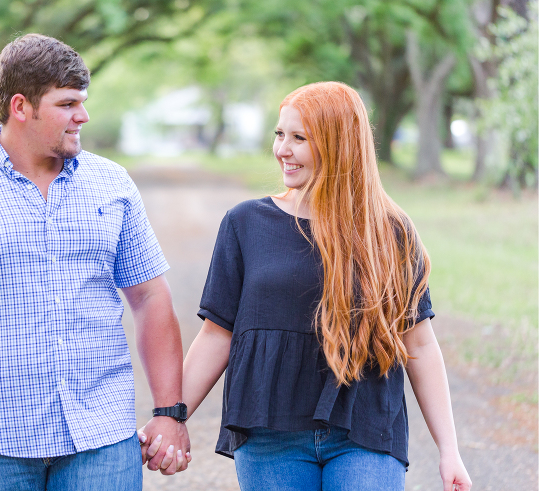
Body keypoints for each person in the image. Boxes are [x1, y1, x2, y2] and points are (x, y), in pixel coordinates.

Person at [0, 33, 190, 491]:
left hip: (101, 434)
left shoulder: (113, 185)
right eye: (67, 104)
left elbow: (149, 296)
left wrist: (169, 413)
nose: (82, 116)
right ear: (21, 106)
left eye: (82, 102)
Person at [140, 81, 472, 490]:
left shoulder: (388, 232)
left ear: (339, 145)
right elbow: (216, 336)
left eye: (299, 138)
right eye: (280, 134)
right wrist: (172, 417)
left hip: (363, 433)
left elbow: (419, 344)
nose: (282, 149)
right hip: (270, 434)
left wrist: (449, 449)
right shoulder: (245, 224)